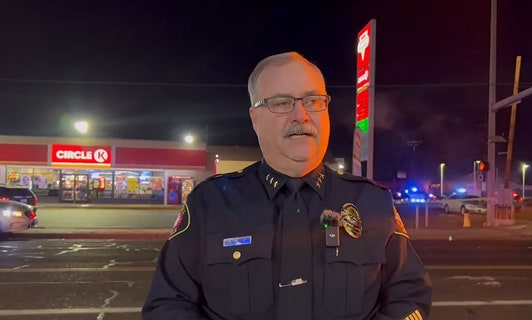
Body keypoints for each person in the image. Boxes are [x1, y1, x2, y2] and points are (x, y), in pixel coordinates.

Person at [142, 51, 432, 320]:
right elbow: (167, 305)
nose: (301, 115)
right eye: (282, 103)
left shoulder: (372, 202)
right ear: (255, 119)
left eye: (313, 101)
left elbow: (410, 295)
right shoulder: (209, 205)